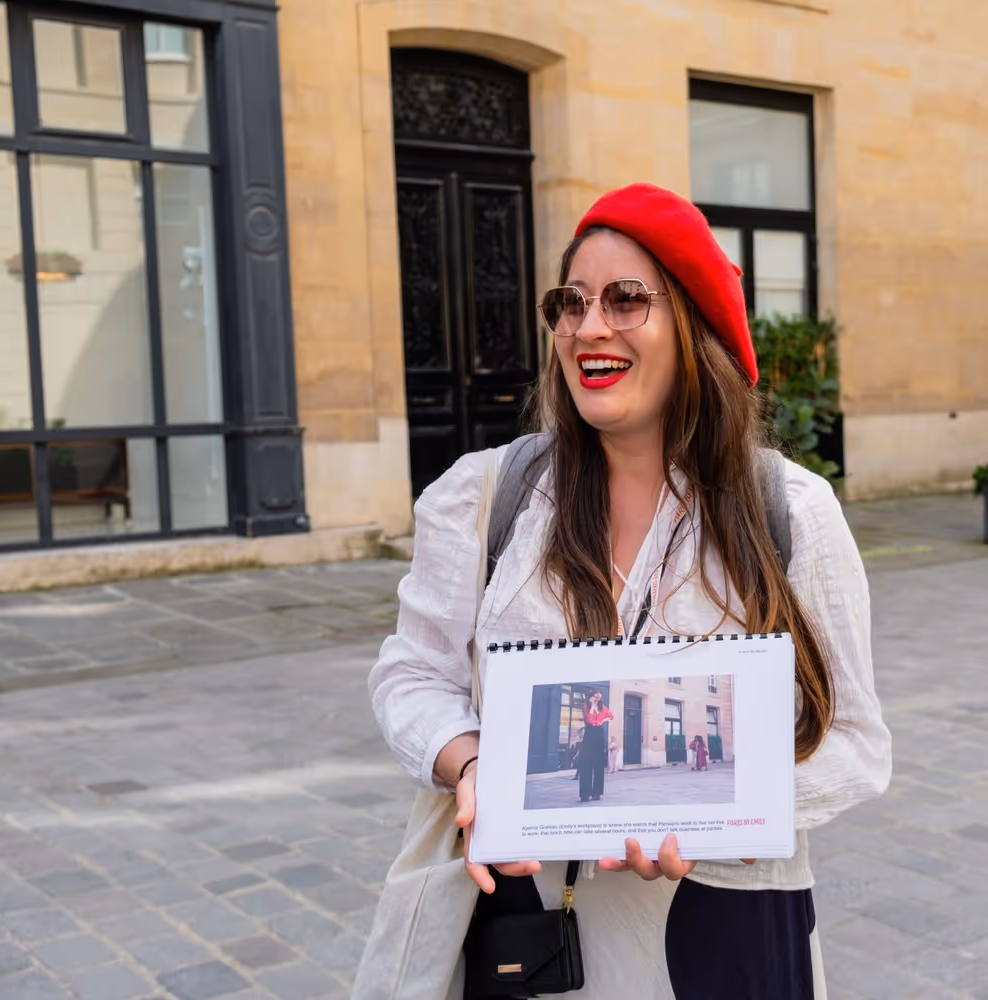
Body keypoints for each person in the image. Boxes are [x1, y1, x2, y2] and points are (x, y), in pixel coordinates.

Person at [367, 183, 891, 999]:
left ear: (694, 326)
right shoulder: (484, 496)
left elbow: (855, 742)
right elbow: (412, 674)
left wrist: (698, 808)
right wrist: (469, 761)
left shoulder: (789, 511)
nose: (588, 328)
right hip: (524, 929)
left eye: (625, 299)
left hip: (722, 931)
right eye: (570, 303)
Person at [579, 691, 614, 802]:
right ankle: (585, 793)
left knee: (598, 765)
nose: (597, 698)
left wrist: (602, 720)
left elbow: (611, 716)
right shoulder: (586, 706)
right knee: (586, 764)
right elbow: (588, 720)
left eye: (598, 696)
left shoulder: (603, 707)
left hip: (599, 733)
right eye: (595, 696)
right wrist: (592, 707)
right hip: (589, 733)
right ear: (591, 697)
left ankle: (597, 793)